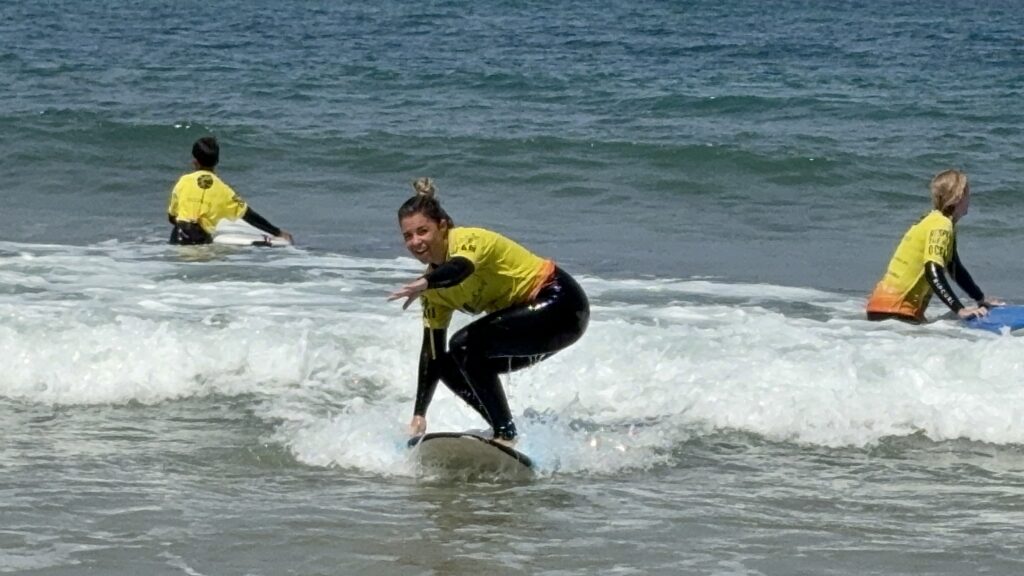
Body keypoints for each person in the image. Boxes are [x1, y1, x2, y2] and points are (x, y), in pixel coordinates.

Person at [388, 178, 590, 446]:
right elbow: (432, 353)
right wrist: (419, 414)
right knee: (448, 363)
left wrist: (426, 282)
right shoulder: (432, 292)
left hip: (561, 304)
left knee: (463, 345)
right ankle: (502, 432)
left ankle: (505, 434)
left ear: (443, 226)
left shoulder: (468, 241)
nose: (416, 242)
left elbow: (460, 269)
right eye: (408, 236)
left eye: (423, 231)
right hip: (533, 325)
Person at [866, 169, 1002, 323]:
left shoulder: (937, 220)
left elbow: (955, 268)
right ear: (959, 196)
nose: (969, 199)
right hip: (895, 311)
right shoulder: (942, 225)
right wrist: (960, 310)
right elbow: (932, 269)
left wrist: (980, 299)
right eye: (968, 194)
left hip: (884, 309)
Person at [166, 136, 293, 245]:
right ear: (217, 161)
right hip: (199, 241)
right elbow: (249, 216)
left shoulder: (183, 181)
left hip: (177, 238)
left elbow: (172, 217)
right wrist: (278, 232)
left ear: (195, 161)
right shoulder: (224, 191)